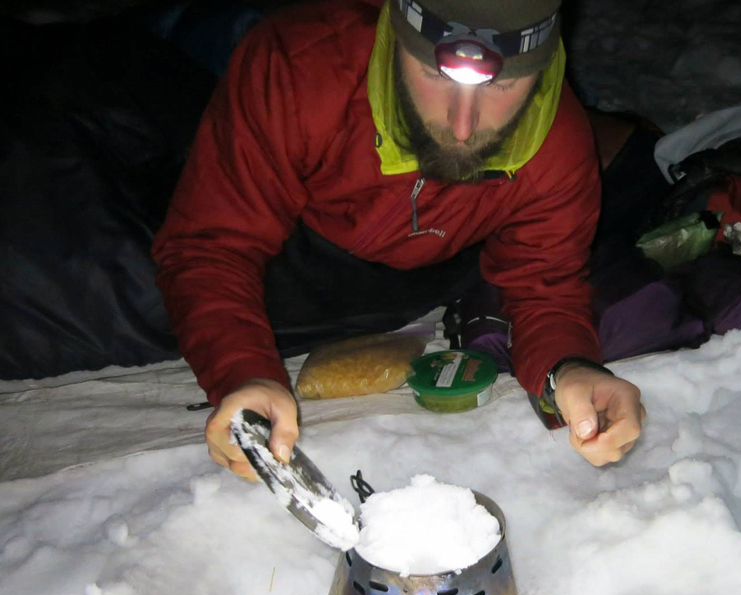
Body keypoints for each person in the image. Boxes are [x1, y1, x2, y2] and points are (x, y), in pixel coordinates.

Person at [151, 0, 646, 480]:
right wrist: (243, 372)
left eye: (503, 83)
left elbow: (544, 288)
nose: (462, 124)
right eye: (435, 74)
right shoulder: (303, 66)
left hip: (421, 275)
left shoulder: (557, 144)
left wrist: (569, 369)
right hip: (289, 250)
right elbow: (211, 246)